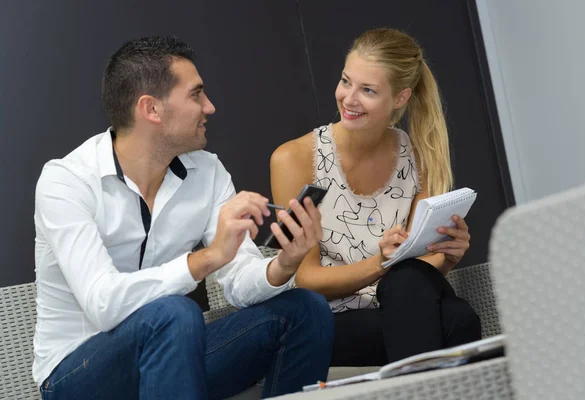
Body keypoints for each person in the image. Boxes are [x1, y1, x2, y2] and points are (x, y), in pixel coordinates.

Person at [33, 36, 333, 400]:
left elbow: (238, 281)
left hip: (172, 356)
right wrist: (207, 258)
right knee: (173, 314)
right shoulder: (67, 180)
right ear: (151, 109)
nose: (210, 107)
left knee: (305, 309)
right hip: (77, 376)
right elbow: (103, 304)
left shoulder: (207, 172)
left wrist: (283, 265)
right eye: (196, 95)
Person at [270, 28, 481, 367]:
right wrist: (382, 263)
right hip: (331, 319)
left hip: (405, 300)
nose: (349, 99)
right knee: (458, 320)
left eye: (367, 90)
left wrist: (447, 255)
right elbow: (305, 278)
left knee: (413, 287)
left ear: (399, 98)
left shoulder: (419, 156)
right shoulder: (293, 159)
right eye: (346, 81)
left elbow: (423, 266)